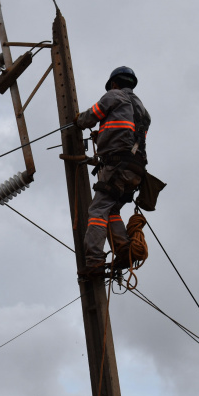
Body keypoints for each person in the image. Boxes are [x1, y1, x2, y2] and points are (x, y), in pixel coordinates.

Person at [75, 66, 151, 278]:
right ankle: (124, 250)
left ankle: (95, 261)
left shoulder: (114, 96)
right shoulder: (143, 111)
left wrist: (78, 120)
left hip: (117, 166)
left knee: (97, 212)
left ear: (114, 84)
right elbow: (126, 134)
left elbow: (89, 118)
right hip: (136, 171)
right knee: (111, 210)